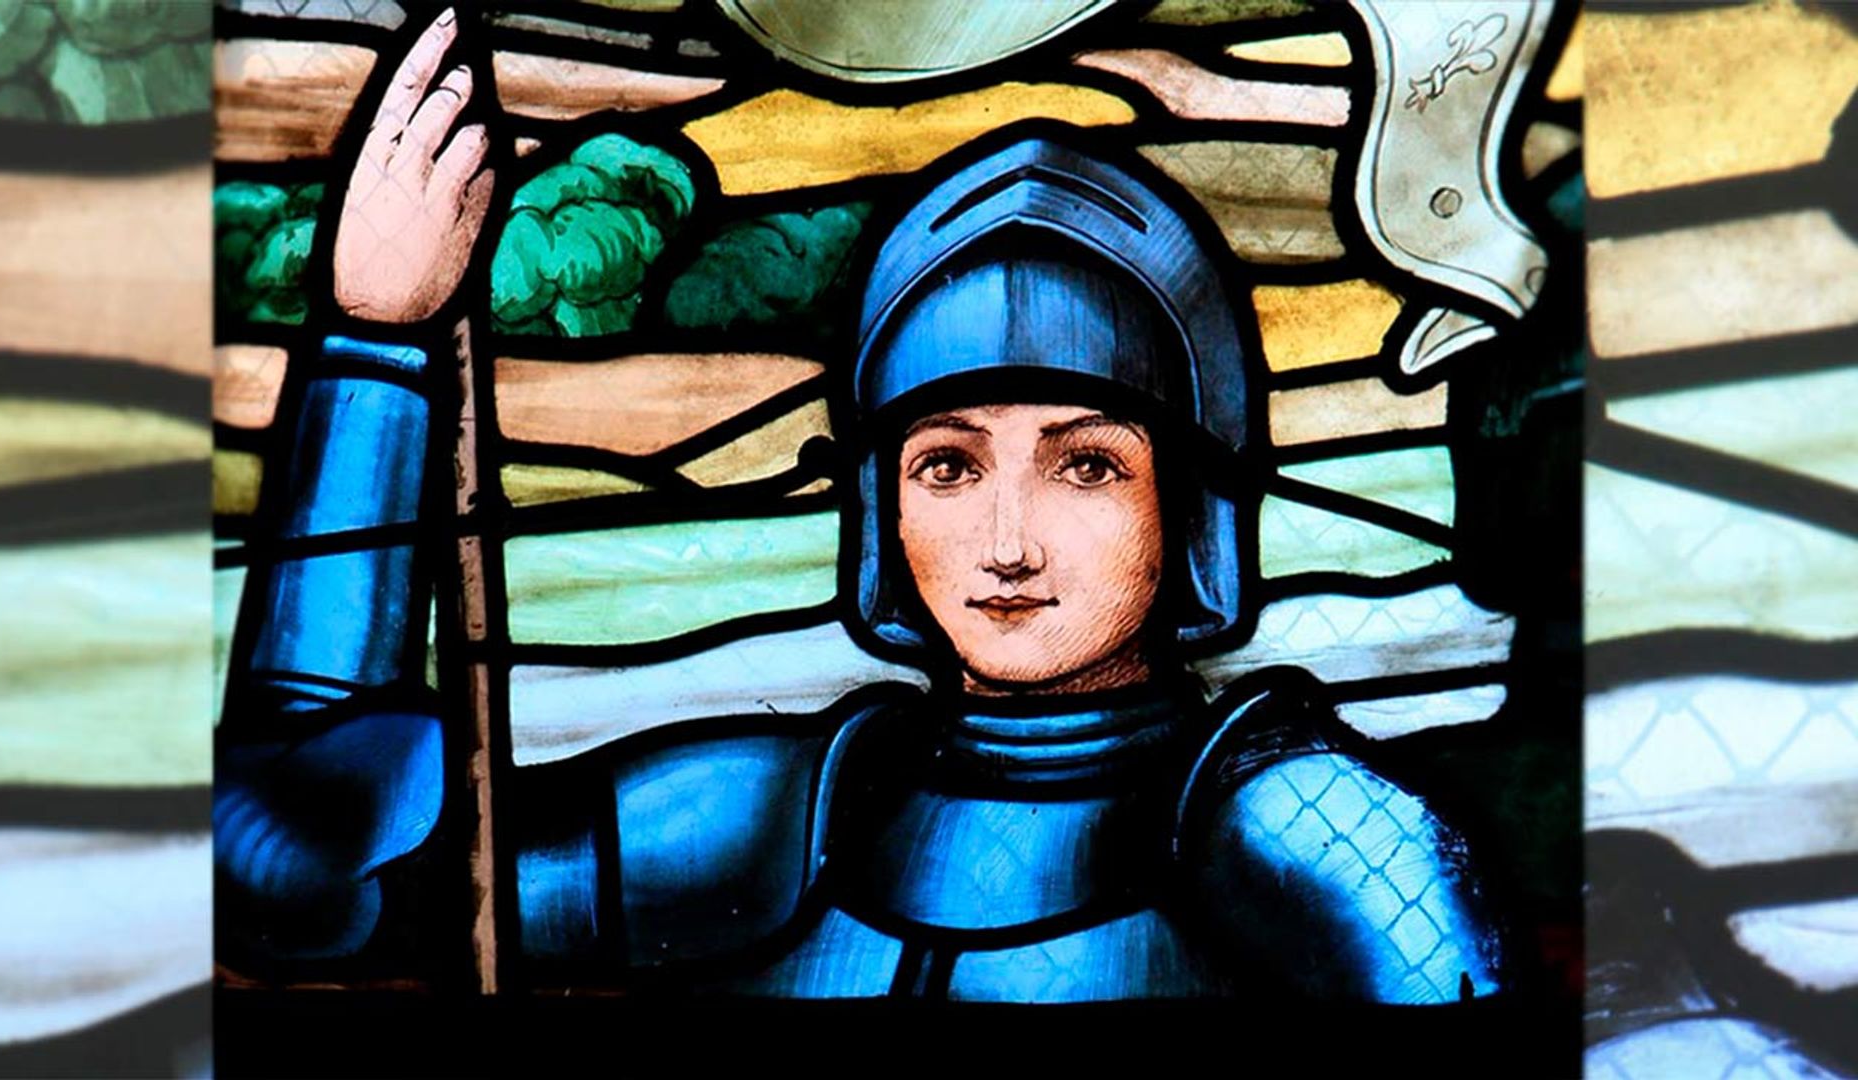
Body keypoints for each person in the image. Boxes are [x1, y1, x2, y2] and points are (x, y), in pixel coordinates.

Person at [216, 9, 1504, 1002]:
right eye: (947, 466)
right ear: (880, 509)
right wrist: (375, 349)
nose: (1008, 543)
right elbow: (297, 871)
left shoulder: (1317, 837)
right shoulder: (783, 817)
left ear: (1194, 503)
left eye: (1086, 465)